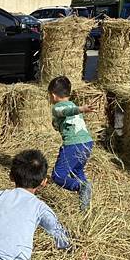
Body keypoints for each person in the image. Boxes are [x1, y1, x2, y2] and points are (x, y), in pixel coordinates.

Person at [48, 76, 95, 211]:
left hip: (73, 145)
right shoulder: (72, 104)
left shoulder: (57, 107)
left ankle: (81, 187)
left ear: (53, 95)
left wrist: (81, 109)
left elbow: (65, 112)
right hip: (87, 143)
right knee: (76, 171)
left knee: (58, 176)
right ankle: (85, 207)